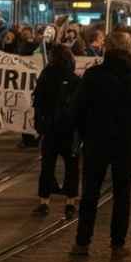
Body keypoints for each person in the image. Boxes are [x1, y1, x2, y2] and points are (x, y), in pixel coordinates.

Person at [70, 30, 131, 256]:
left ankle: (82, 242)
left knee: (90, 192)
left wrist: (82, 133)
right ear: (129, 49)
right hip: (126, 142)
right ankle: (118, 243)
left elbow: (77, 108)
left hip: (96, 141)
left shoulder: (93, 75)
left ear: (106, 48)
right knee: (122, 194)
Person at [31, 43, 81, 220]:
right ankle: (70, 203)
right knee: (72, 167)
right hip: (70, 130)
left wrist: (39, 127)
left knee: (47, 166)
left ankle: (44, 202)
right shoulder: (75, 79)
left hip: (51, 129)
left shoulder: (45, 76)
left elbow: (38, 102)